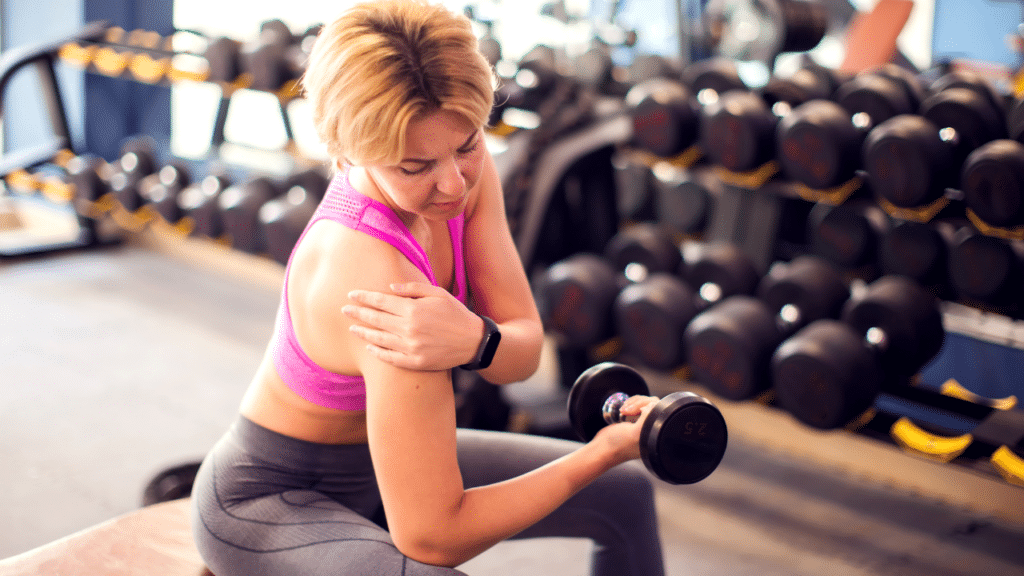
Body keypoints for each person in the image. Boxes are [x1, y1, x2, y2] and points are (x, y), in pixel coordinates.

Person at [189, 1, 666, 575]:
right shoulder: (375, 279)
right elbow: (435, 536)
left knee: (625, 493)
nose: (451, 185)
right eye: (414, 167)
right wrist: (599, 452)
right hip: (270, 500)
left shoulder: (468, 171)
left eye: (465, 145)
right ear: (347, 154)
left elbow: (520, 354)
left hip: (376, 460)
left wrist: (475, 341)